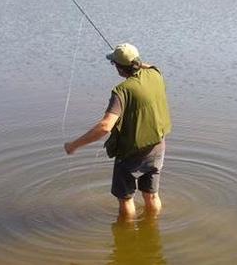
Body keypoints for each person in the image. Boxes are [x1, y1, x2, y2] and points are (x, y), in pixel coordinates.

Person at [64, 43, 172, 221]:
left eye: (114, 63)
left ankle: (127, 235)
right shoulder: (155, 74)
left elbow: (105, 126)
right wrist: (136, 63)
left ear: (119, 68)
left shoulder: (122, 91)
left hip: (131, 152)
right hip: (158, 146)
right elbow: (149, 65)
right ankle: (152, 230)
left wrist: (74, 145)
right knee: (152, 195)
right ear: (137, 61)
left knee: (125, 198)